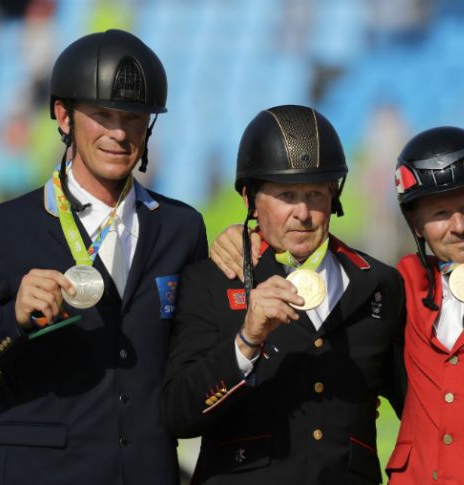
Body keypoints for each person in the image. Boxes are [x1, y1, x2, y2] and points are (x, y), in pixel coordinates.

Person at [209, 126, 464, 483]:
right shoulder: (404, 284)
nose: (459, 226)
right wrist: (248, 235)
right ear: (417, 226)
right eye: (440, 214)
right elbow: (325, 250)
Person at [0, 29, 208, 485]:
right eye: (101, 114)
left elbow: (191, 360)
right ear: (63, 115)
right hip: (39, 473)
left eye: (132, 117)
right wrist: (11, 320)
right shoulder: (3, 228)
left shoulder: (182, 229)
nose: (117, 132)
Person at [163, 105, 407, 484]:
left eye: (315, 194)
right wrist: (246, 342)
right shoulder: (209, 281)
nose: (303, 213)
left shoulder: (379, 283)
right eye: (286, 194)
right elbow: (179, 413)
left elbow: (423, 409)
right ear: (250, 200)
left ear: (334, 196)